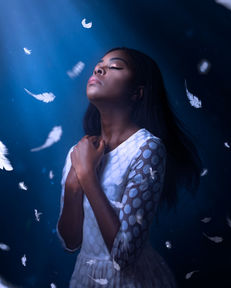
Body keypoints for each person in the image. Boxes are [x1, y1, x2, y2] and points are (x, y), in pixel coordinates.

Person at [56, 47, 203, 287]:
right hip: (85, 278)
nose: (99, 68)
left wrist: (86, 176)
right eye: (99, 65)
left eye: (115, 66)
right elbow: (71, 242)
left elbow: (123, 256)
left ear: (137, 93)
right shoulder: (79, 152)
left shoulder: (146, 149)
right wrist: (73, 185)